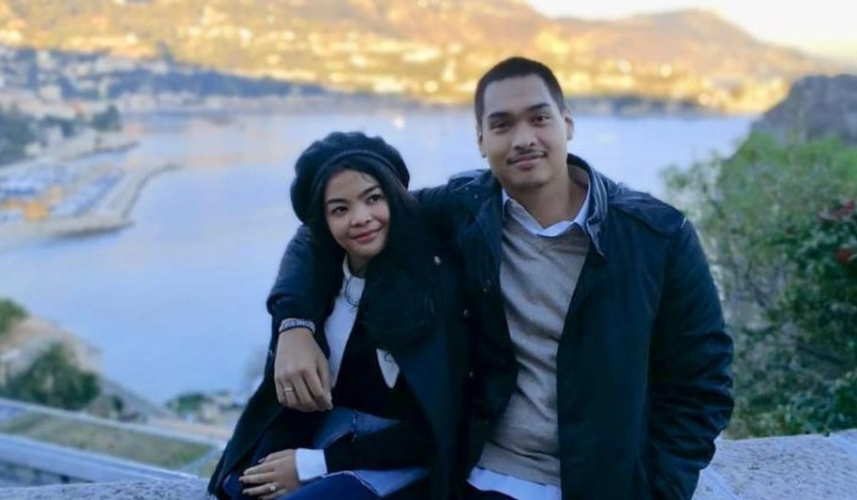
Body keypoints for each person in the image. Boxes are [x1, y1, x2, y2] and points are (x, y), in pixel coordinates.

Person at [265, 56, 735, 499]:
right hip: (480, 473)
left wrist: (659, 490)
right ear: (481, 140)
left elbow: (702, 384)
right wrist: (294, 325)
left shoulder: (656, 237)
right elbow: (325, 231)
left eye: (539, 118)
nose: (523, 138)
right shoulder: (464, 210)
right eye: (502, 125)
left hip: (600, 483)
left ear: (567, 124)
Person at [207, 132, 471, 499]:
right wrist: (277, 460)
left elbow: (437, 424)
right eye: (340, 209)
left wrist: (312, 465)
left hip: (399, 460)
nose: (361, 218)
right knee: (240, 488)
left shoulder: (434, 285)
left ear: (394, 197)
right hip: (331, 436)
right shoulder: (319, 284)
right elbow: (293, 408)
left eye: (373, 198)